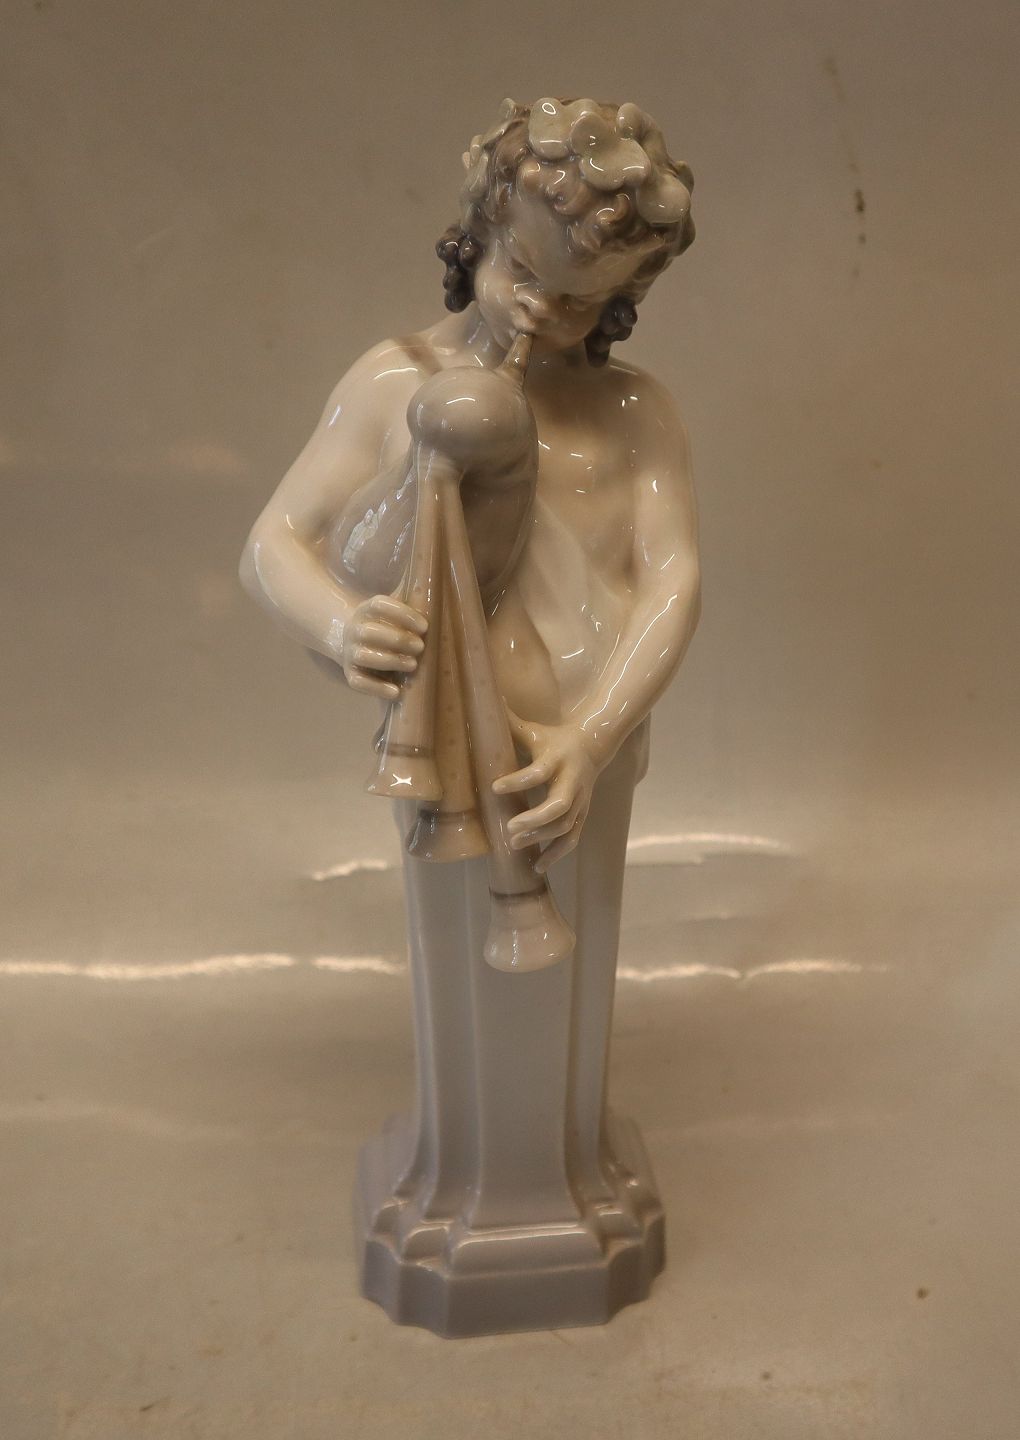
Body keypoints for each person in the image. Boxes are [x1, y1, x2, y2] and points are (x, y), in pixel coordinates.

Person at [240, 97, 702, 1335]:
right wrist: (346, 626)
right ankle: (467, 1171)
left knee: (577, 957)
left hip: (580, 751)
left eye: (583, 302)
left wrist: (593, 737)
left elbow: (673, 580)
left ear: (627, 295)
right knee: (463, 955)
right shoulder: (399, 383)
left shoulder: (633, 410)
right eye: (523, 277)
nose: (542, 317)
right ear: (479, 232)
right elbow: (275, 542)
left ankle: (563, 1168)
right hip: (447, 740)